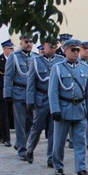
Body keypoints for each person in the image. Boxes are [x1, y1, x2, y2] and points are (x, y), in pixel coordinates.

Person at [49, 39, 88, 175]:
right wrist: (55, 110)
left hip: (80, 109)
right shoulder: (57, 68)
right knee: (59, 142)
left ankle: (81, 168)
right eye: (72, 50)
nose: (76, 53)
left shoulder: (84, 68)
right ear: (65, 50)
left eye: (77, 50)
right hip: (63, 110)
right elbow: (53, 91)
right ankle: (58, 166)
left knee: (80, 141)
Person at [25, 39, 64, 167]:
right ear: (44, 46)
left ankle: (51, 157)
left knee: (54, 130)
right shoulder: (36, 61)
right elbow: (31, 82)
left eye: (54, 47)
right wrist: (30, 100)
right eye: (50, 46)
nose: (52, 49)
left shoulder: (60, 60)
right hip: (41, 98)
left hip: (55, 100)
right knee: (37, 127)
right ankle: (30, 149)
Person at [4, 36, 34, 160]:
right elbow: (8, 75)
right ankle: (22, 149)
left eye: (31, 42)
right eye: (26, 42)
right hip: (19, 92)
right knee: (20, 122)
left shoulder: (35, 57)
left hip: (32, 94)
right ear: (21, 42)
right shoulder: (14, 56)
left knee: (31, 122)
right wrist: (7, 93)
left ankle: (20, 143)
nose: (29, 44)